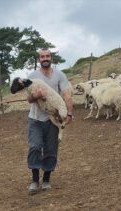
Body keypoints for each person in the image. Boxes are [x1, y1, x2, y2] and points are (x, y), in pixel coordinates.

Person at [26, 48, 73, 195]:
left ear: (51, 58)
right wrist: (35, 95)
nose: (45, 58)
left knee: (51, 150)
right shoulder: (32, 76)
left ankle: (46, 179)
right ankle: (34, 181)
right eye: (42, 56)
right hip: (35, 118)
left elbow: (66, 95)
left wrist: (69, 113)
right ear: (39, 59)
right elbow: (29, 99)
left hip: (53, 119)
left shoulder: (59, 75)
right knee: (35, 146)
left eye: (47, 56)